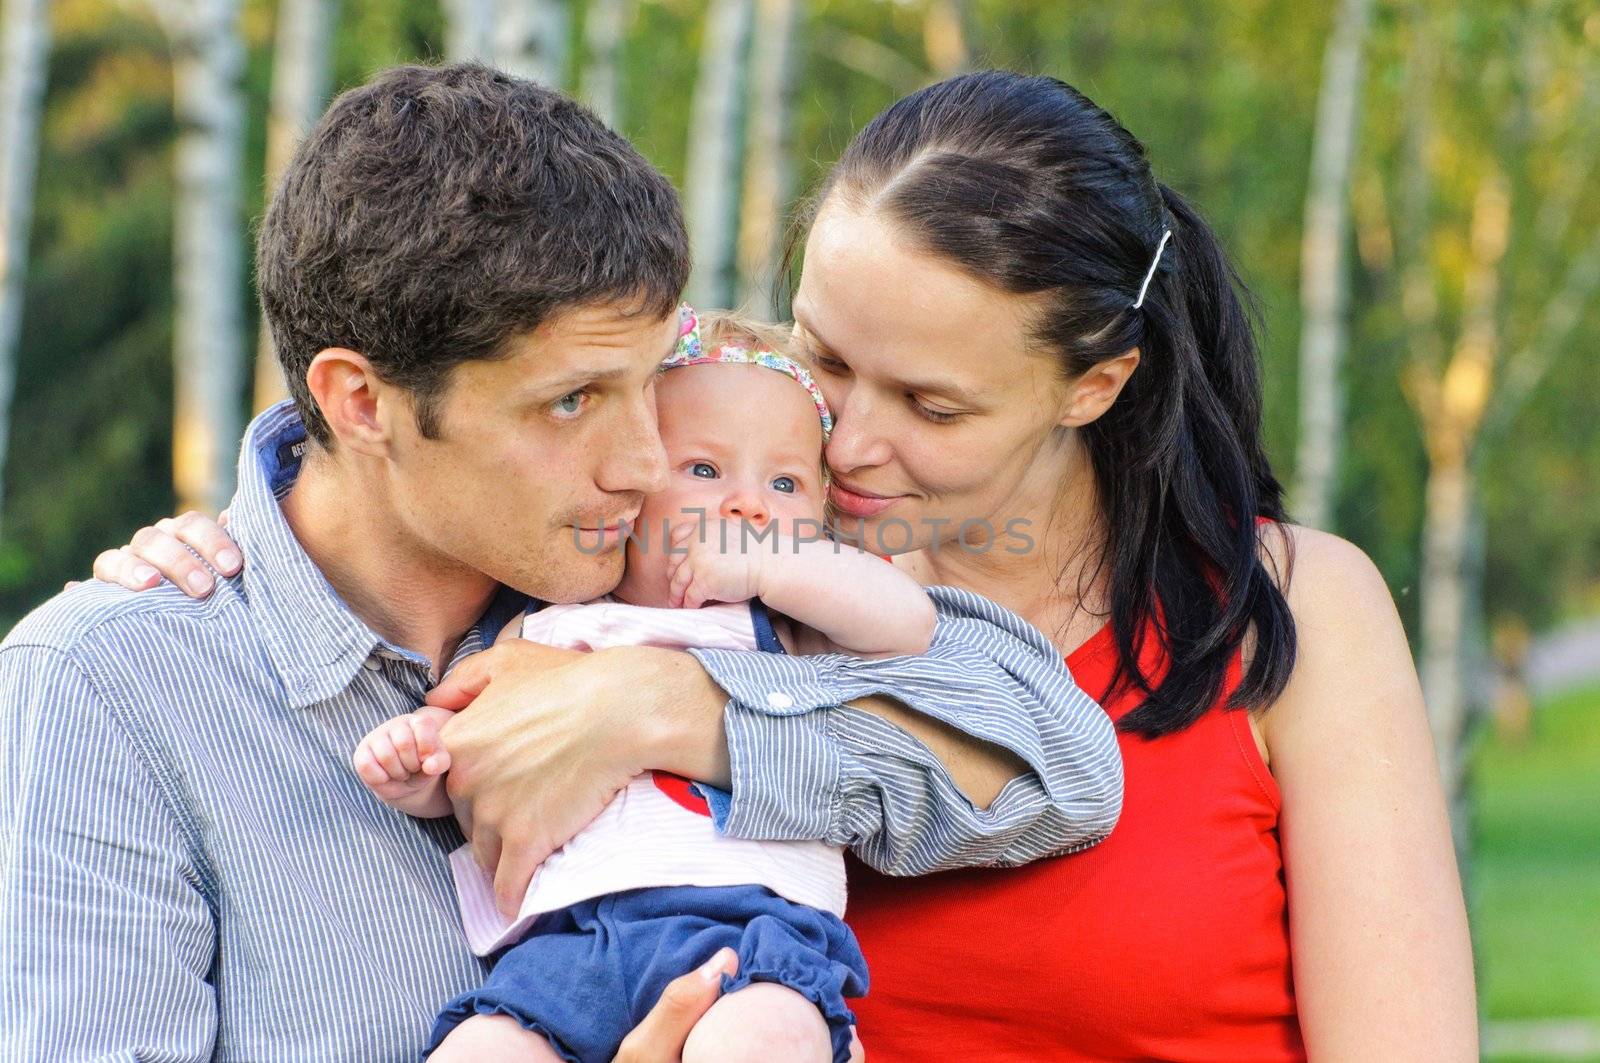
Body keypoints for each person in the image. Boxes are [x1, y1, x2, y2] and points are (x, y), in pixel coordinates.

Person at [113, 69, 1481, 1058]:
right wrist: (244, 531)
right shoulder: (663, 545)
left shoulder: (1291, 610)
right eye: (824, 356)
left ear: (1093, 384)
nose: (850, 437)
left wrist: (669, 708)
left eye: (933, 405)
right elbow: (473, 409)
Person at [0, 65, 1124, 1061]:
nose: (644, 461)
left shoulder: (653, 582)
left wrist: (661, 705)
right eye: (574, 400)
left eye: (649, 383)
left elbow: (1062, 763)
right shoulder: (110, 689)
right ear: (361, 401)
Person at [365, 309, 934, 1063]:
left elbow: (907, 624)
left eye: (787, 482)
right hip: (569, 942)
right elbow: (484, 757)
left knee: (759, 1040)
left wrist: (772, 568)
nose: (748, 505)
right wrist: (424, 763)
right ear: (629, 487)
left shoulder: (789, 627)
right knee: (479, 1048)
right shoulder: (549, 626)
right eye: (704, 470)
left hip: (749, 931)